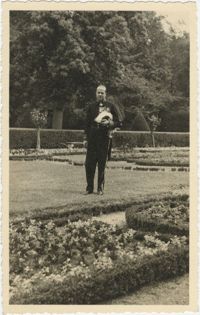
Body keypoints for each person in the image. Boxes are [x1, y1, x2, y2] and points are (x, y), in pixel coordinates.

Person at [84, 85, 122, 195]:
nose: (100, 94)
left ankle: (100, 188)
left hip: (104, 138)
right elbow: (87, 124)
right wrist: (85, 139)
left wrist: (110, 123)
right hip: (92, 138)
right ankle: (89, 188)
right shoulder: (91, 107)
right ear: (96, 93)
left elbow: (119, 122)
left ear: (106, 94)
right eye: (98, 92)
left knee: (101, 164)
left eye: (102, 93)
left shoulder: (111, 106)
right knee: (89, 164)